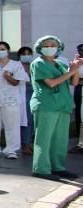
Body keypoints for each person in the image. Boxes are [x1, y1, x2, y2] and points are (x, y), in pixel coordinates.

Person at [29, 35, 83, 180]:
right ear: (39, 48)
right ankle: (41, 169)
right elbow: (51, 83)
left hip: (62, 105)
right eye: (46, 45)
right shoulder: (38, 63)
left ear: (58, 47)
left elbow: (74, 83)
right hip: (46, 105)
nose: (49, 48)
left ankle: (58, 167)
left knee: (60, 139)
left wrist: (76, 68)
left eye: (52, 45)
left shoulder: (60, 64)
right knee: (44, 138)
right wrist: (71, 71)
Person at [17, 46, 35, 156]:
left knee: (32, 120)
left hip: (34, 92)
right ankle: (25, 144)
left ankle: (29, 142)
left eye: (28, 53)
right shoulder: (16, 66)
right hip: (22, 93)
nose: (26, 56)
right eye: (24, 54)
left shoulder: (34, 65)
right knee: (26, 120)